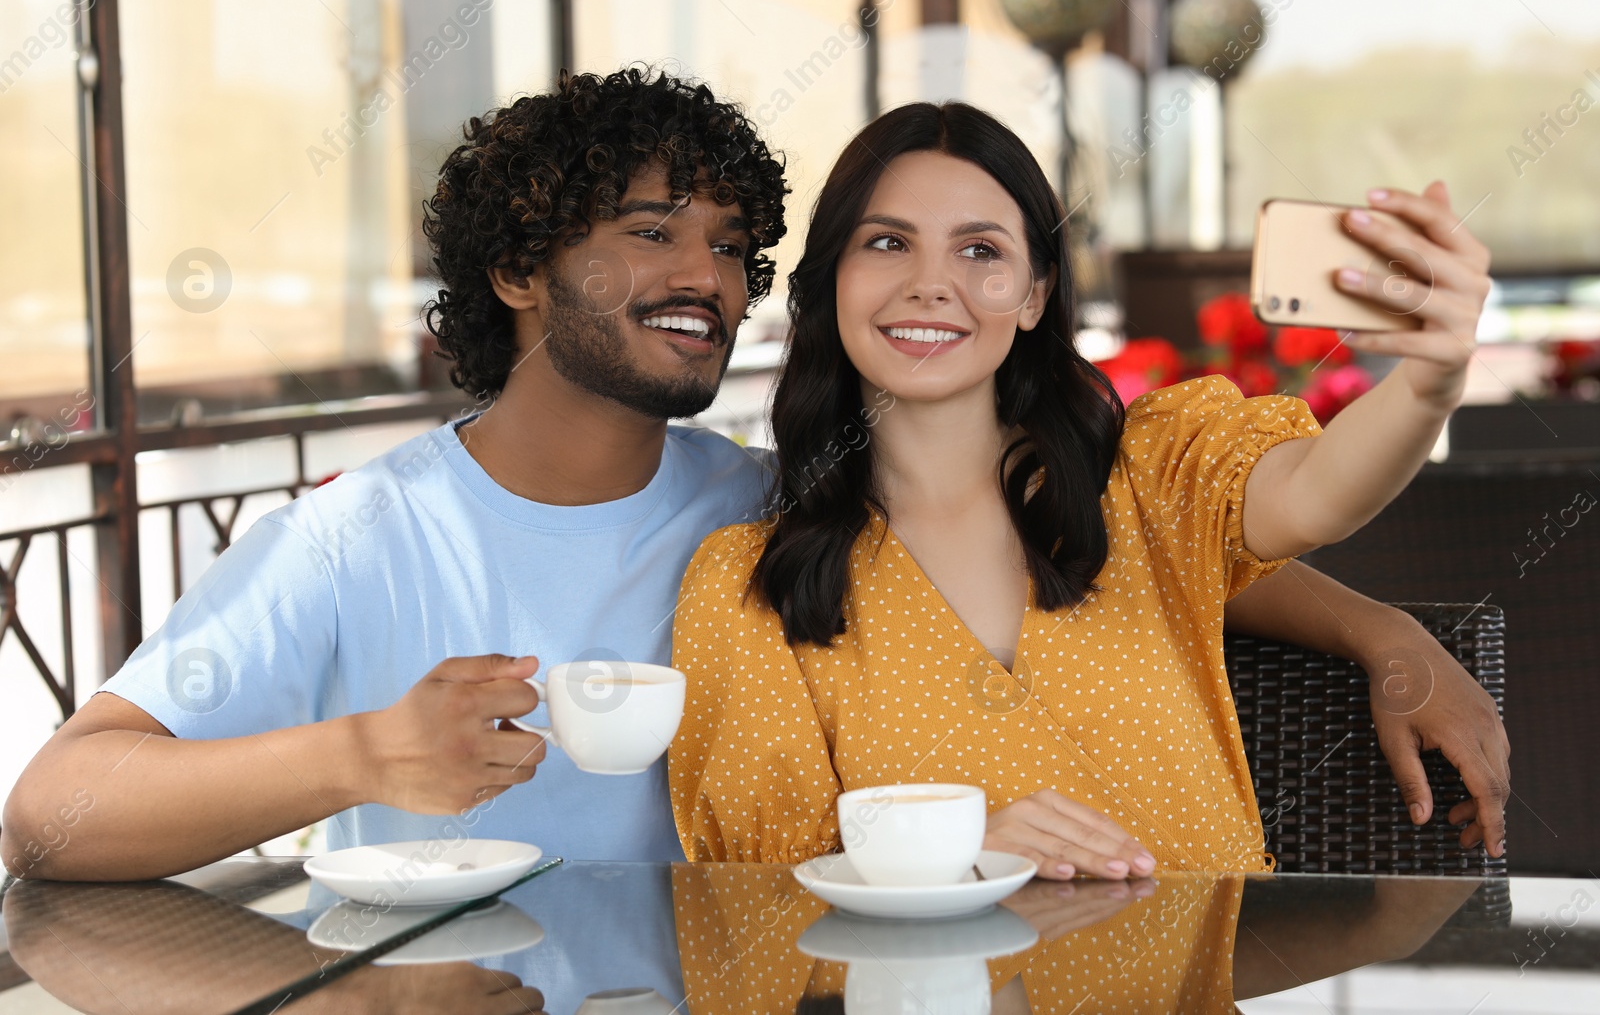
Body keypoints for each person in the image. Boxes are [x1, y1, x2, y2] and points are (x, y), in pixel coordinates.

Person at [2, 71, 1503, 884]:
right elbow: (52, 816)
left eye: (729, 244)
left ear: (1037, 288)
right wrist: (358, 758)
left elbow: (1150, 521)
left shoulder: (760, 508)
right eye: (653, 231)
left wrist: (1378, 618)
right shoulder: (355, 539)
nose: (705, 276)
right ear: (518, 268)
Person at [668, 101, 1508, 881]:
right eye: (887, 242)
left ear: (1034, 294)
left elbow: (1313, 494)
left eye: (981, 250)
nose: (930, 282)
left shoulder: (1150, 477)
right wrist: (949, 860)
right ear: (830, 283)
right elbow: (760, 913)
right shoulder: (747, 592)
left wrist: (1427, 385)